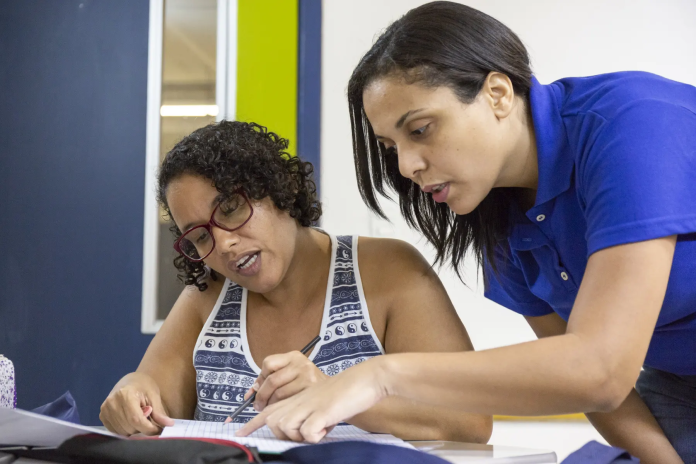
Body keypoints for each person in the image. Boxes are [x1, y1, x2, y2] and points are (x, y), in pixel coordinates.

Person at [237, 2, 696, 463]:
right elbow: (578, 377)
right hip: (672, 380)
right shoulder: (498, 216)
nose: (406, 165)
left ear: (497, 93)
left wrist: (378, 376)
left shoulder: (631, 126)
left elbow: (600, 369)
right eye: (390, 147)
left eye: (420, 129)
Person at [99, 120, 491, 443]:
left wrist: (335, 395)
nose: (224, 243)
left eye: (231, 209)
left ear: (280, 189)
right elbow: (152, 401)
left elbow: (469, 422)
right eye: (199, 236)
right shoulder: (207, 298)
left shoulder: (388, 271)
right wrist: (133, 393)